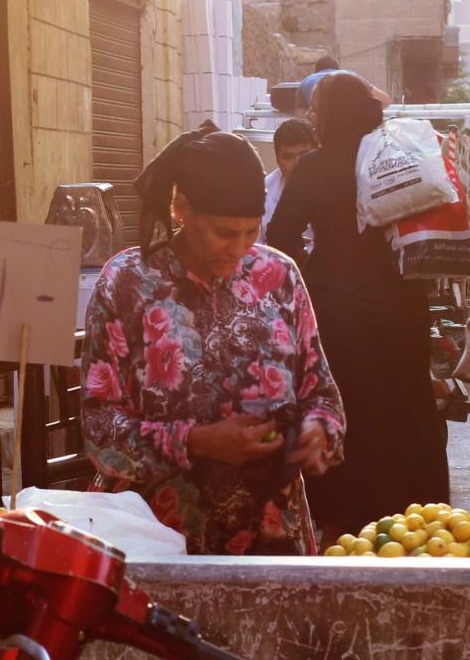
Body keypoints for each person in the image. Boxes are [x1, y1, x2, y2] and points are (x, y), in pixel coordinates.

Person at [80, 129, 347, 555]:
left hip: (271, 540)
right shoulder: (127, 283)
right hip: (155, 540)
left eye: (250, 232)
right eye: (224, 232)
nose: (239, 249)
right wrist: (197, 441)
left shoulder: (279, 276)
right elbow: (99, 431)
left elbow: (322, 393)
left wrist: (320, 430)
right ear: (181, 208)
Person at [267, 71, 449, 536]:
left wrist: (317, 270)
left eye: (316, 108)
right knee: (403, 400)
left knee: (350, 406)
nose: (310, 116)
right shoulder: (396, 156)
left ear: (332, 114)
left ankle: (349, 516)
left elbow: (281, 236)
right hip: (403, 303)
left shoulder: (315, 166)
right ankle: (415, 511)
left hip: (339, 308)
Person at [261, 118, 316, 245]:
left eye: (305, 155)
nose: (298, 164)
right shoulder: (262, 192)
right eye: (288, 157)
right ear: (277, 158)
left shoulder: (337, 188)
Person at [296, 55, 393, 116]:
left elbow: (301, 116)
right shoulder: (351, 76)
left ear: (316, 71)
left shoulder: (306, 82)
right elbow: (385, 100)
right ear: (338, 69)